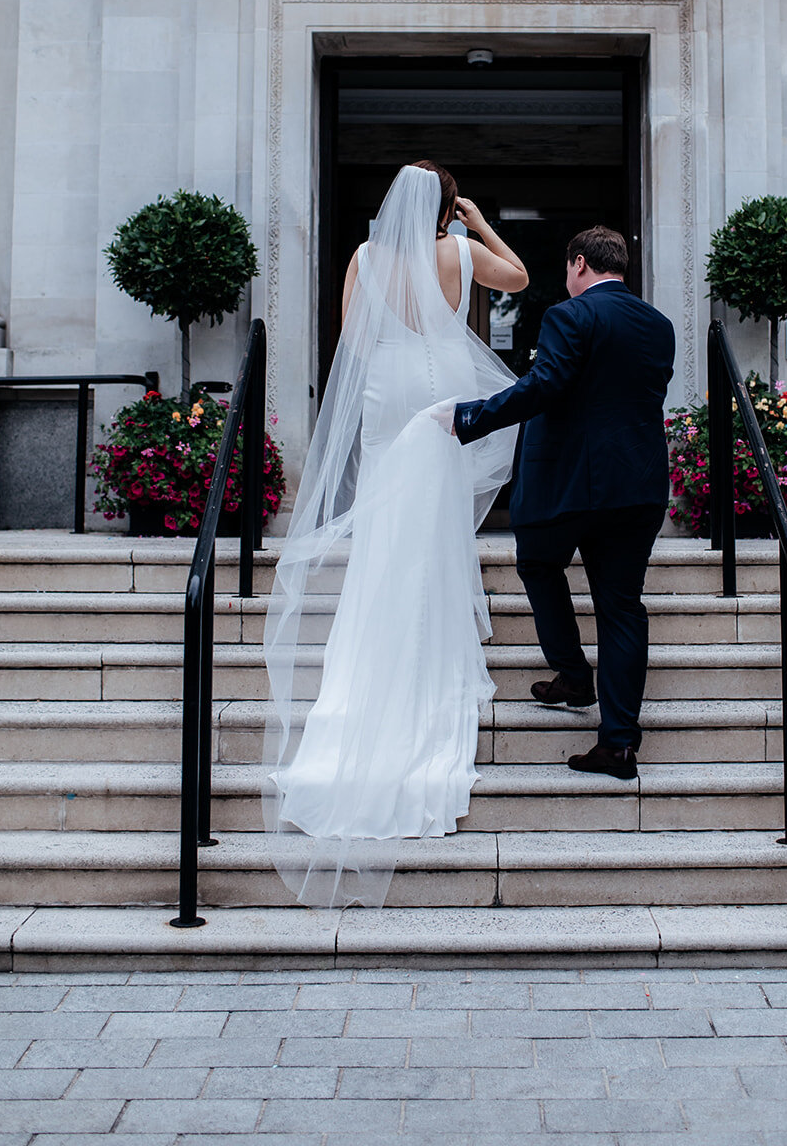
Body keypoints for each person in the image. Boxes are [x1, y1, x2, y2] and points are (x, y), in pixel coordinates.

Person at [263, 162, 528, 907]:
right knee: (438, 511)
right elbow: (518, 279)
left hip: (384, 381)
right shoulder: (458, 252)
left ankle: (372, 646)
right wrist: (473, 223)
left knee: (385, 514)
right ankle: (435, 634)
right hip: (439, 377)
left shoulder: (363, 256)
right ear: (443, 206)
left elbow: (352, 334)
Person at [451, 226, 675, 780]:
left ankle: (574, 675)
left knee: (537, 563)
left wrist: (470, 417)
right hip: (640, 486)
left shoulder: (568, 315)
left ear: (578, 264)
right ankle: (619, 744)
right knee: (621, 608)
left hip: (568, 484)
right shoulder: (659, 325)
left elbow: (544, 385)